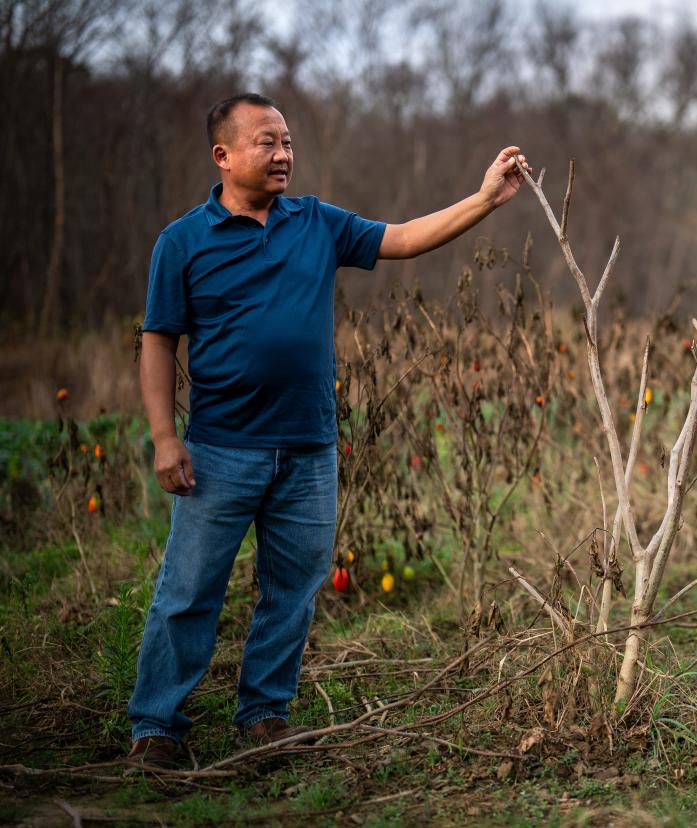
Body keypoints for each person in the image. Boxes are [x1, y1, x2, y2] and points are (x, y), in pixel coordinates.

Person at [127, 92, 529, 769]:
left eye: (287, 141)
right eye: (267, 142)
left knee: (292, 590)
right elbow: (158, 342)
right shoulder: (183, 242)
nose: (284, 153)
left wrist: (485, 198)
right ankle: (157, 726)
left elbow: (401, 238)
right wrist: (166, 438)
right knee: (189, 591)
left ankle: (264, 717)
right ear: (223, 155)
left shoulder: (316, 222)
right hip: (221, 450)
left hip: (309, 448)